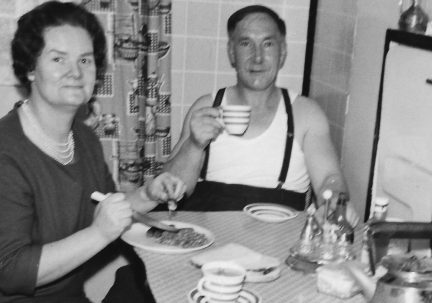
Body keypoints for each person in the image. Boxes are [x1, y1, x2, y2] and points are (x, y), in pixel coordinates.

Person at [0, 1, 185, 302]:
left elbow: (105, 207)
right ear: (31, 68)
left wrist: (148, 194)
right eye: (58, 59)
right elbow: (9, 271)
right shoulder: (6, 150)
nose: (75, 72)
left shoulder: (84, 138)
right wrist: (100, 233)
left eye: (85, 60)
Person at [163, 5, 359, 225]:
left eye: (267, 44)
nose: (257, 57)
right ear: (231, 52)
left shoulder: (306, 114)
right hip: (208, 242)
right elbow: (169, 190)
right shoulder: (207, 106)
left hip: (278, 244)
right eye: (246, 44)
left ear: (282, 52)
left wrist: (334, 201)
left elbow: (328, 179)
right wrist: (194, 145)